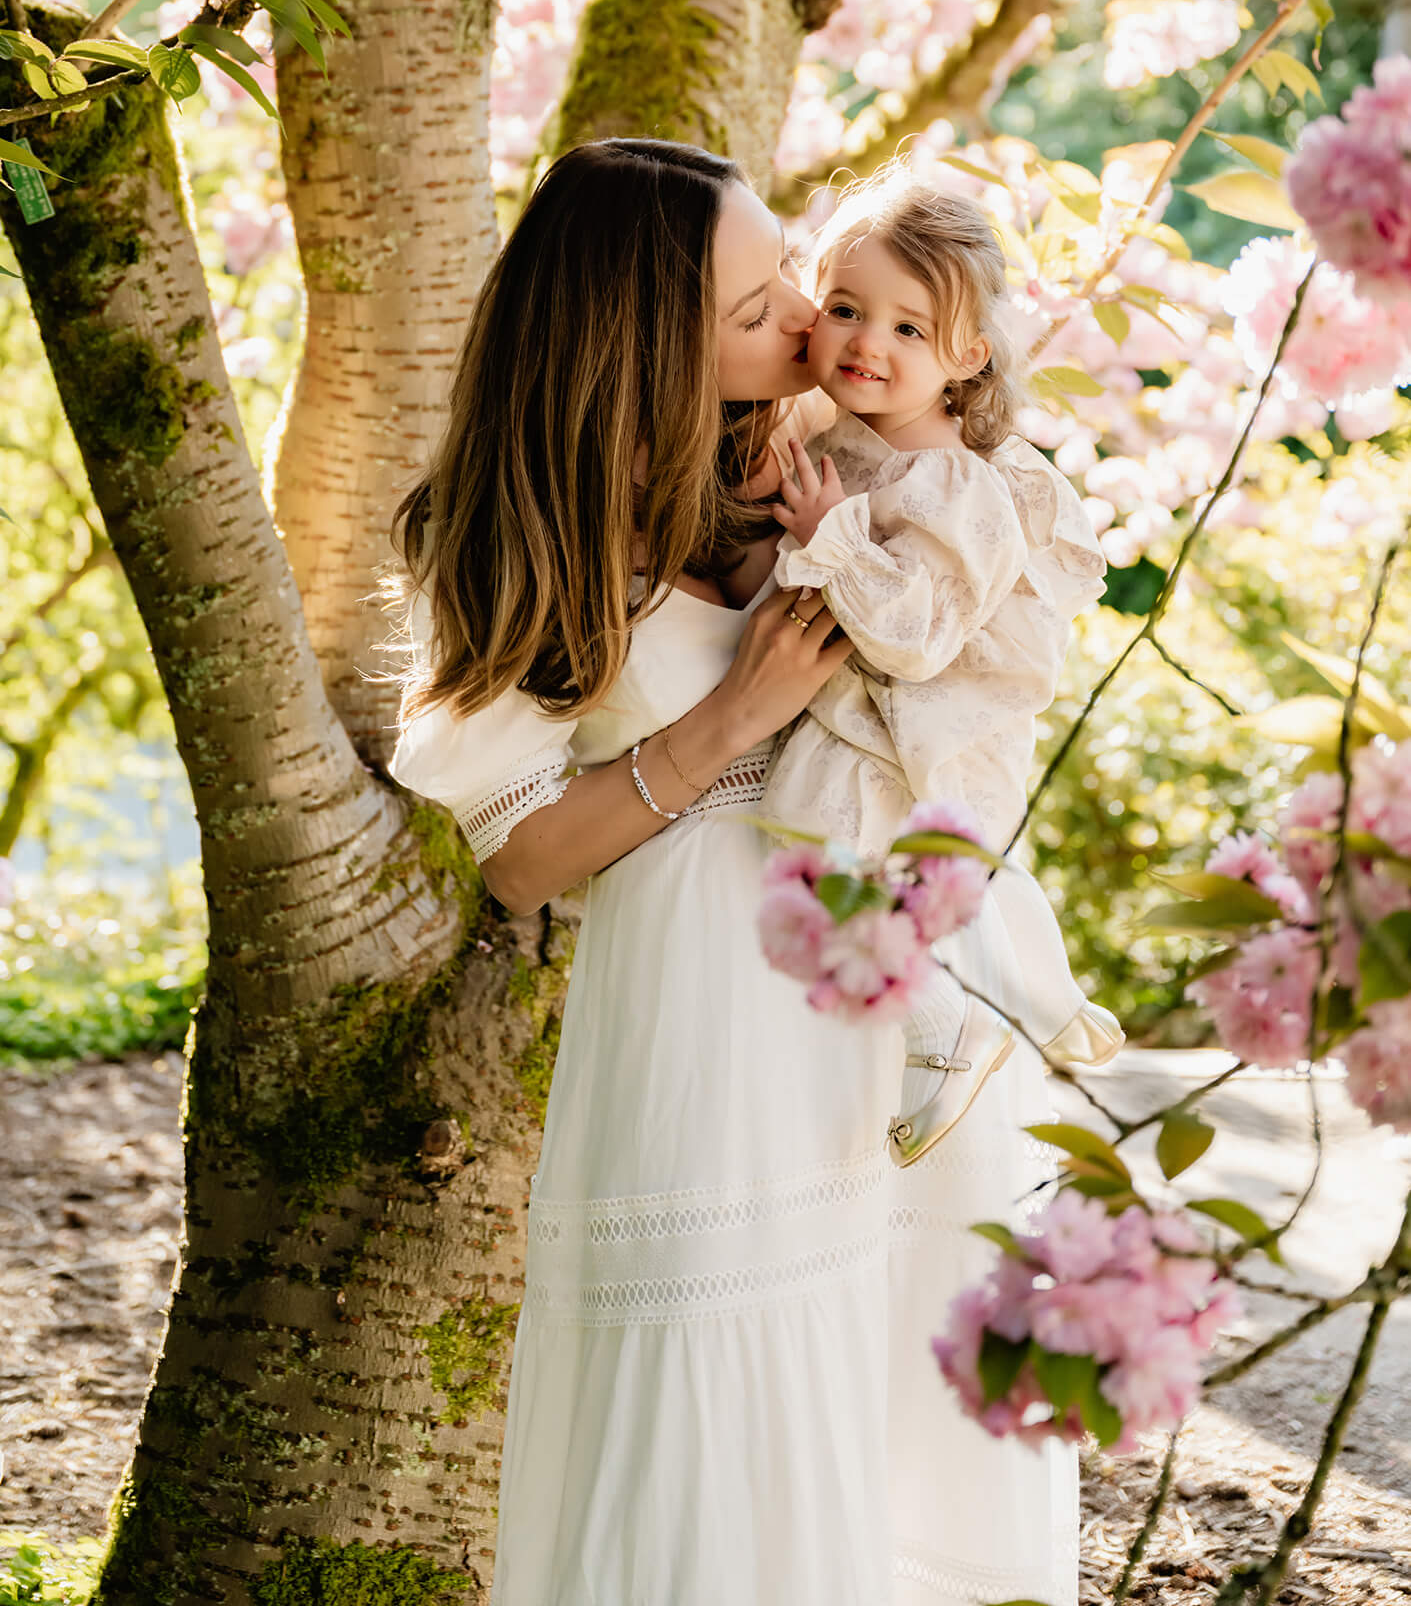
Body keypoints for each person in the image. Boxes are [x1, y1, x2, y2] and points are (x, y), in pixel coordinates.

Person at [392, 137, 1079, 1606]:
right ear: (646, 334)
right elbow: (516, 860)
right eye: (763, 295)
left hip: (870, 989)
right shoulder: (514, 525)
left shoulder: (805, 464)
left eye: (797, 278)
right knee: (706, 1397)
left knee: (905, 1370)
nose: (808, 321)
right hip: (696, 1021)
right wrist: (727, 720)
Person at [754, 171, 1124, 1167]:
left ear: (968, 356)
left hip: (920, 729)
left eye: (910, 330)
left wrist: (834, 541)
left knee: (815, 840)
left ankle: (952, 1026)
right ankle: (1020, 973)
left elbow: (916, 632)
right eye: (846, 309)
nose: (868, 342)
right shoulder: (851, 442)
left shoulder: (956, 483)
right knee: (829, 846)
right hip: (870, 717)